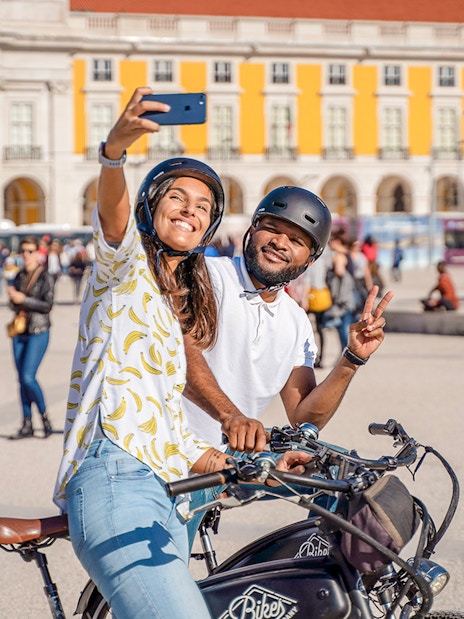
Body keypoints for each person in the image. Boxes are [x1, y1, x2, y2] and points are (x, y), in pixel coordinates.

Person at [52, 87, 310, 619]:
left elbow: (167, 433)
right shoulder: (123, 272)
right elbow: (114, 216)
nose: (190, 211)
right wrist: (114, 153)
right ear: (153, 203)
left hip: (167, 491)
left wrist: (262, 462)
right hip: (113, 479)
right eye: (177, 198)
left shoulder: (174, 318)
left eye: (203, 206)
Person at [182, 186, 393, 544]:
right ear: (251, 231)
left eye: (297, 239)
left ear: (309, 260)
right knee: (168, 582)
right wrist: (232, 416)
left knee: (342, 476)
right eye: (273, 228)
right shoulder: (205, 276)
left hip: (237, 456)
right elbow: (179, 357)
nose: (281, 242)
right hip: (180, 456)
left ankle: (314, 582)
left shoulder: (295, 320)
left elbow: (304, 416)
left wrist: (352, 358)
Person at [7, 236, 55, 439]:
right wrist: (13, 299)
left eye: (30, 251)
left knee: (28, 376)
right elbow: (14, 305)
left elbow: (47, 305)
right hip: (20, 332)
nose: (25, 255)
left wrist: (23, 299)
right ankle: (26, 422)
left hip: (39, 331)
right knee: (21, 380)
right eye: (23, 251)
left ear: (38, 253)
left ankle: (44, 418)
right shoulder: (18, 276)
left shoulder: (46, 277)